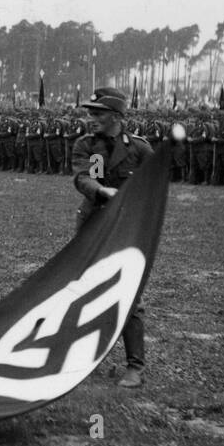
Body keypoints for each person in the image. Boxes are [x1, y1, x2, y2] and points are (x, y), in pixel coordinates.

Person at [71, 87, 154, 388]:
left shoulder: (140, 149)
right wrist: (103, 191)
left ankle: (135, 367)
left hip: (126, 227)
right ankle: (81, 359)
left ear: (117, 116)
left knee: (128, 293)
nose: (91, 118)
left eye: (98, 113)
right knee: (86, 290)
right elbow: (83, 177)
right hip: (93, 223)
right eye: (89, 113)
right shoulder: (86, 144)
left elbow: (154, 185)